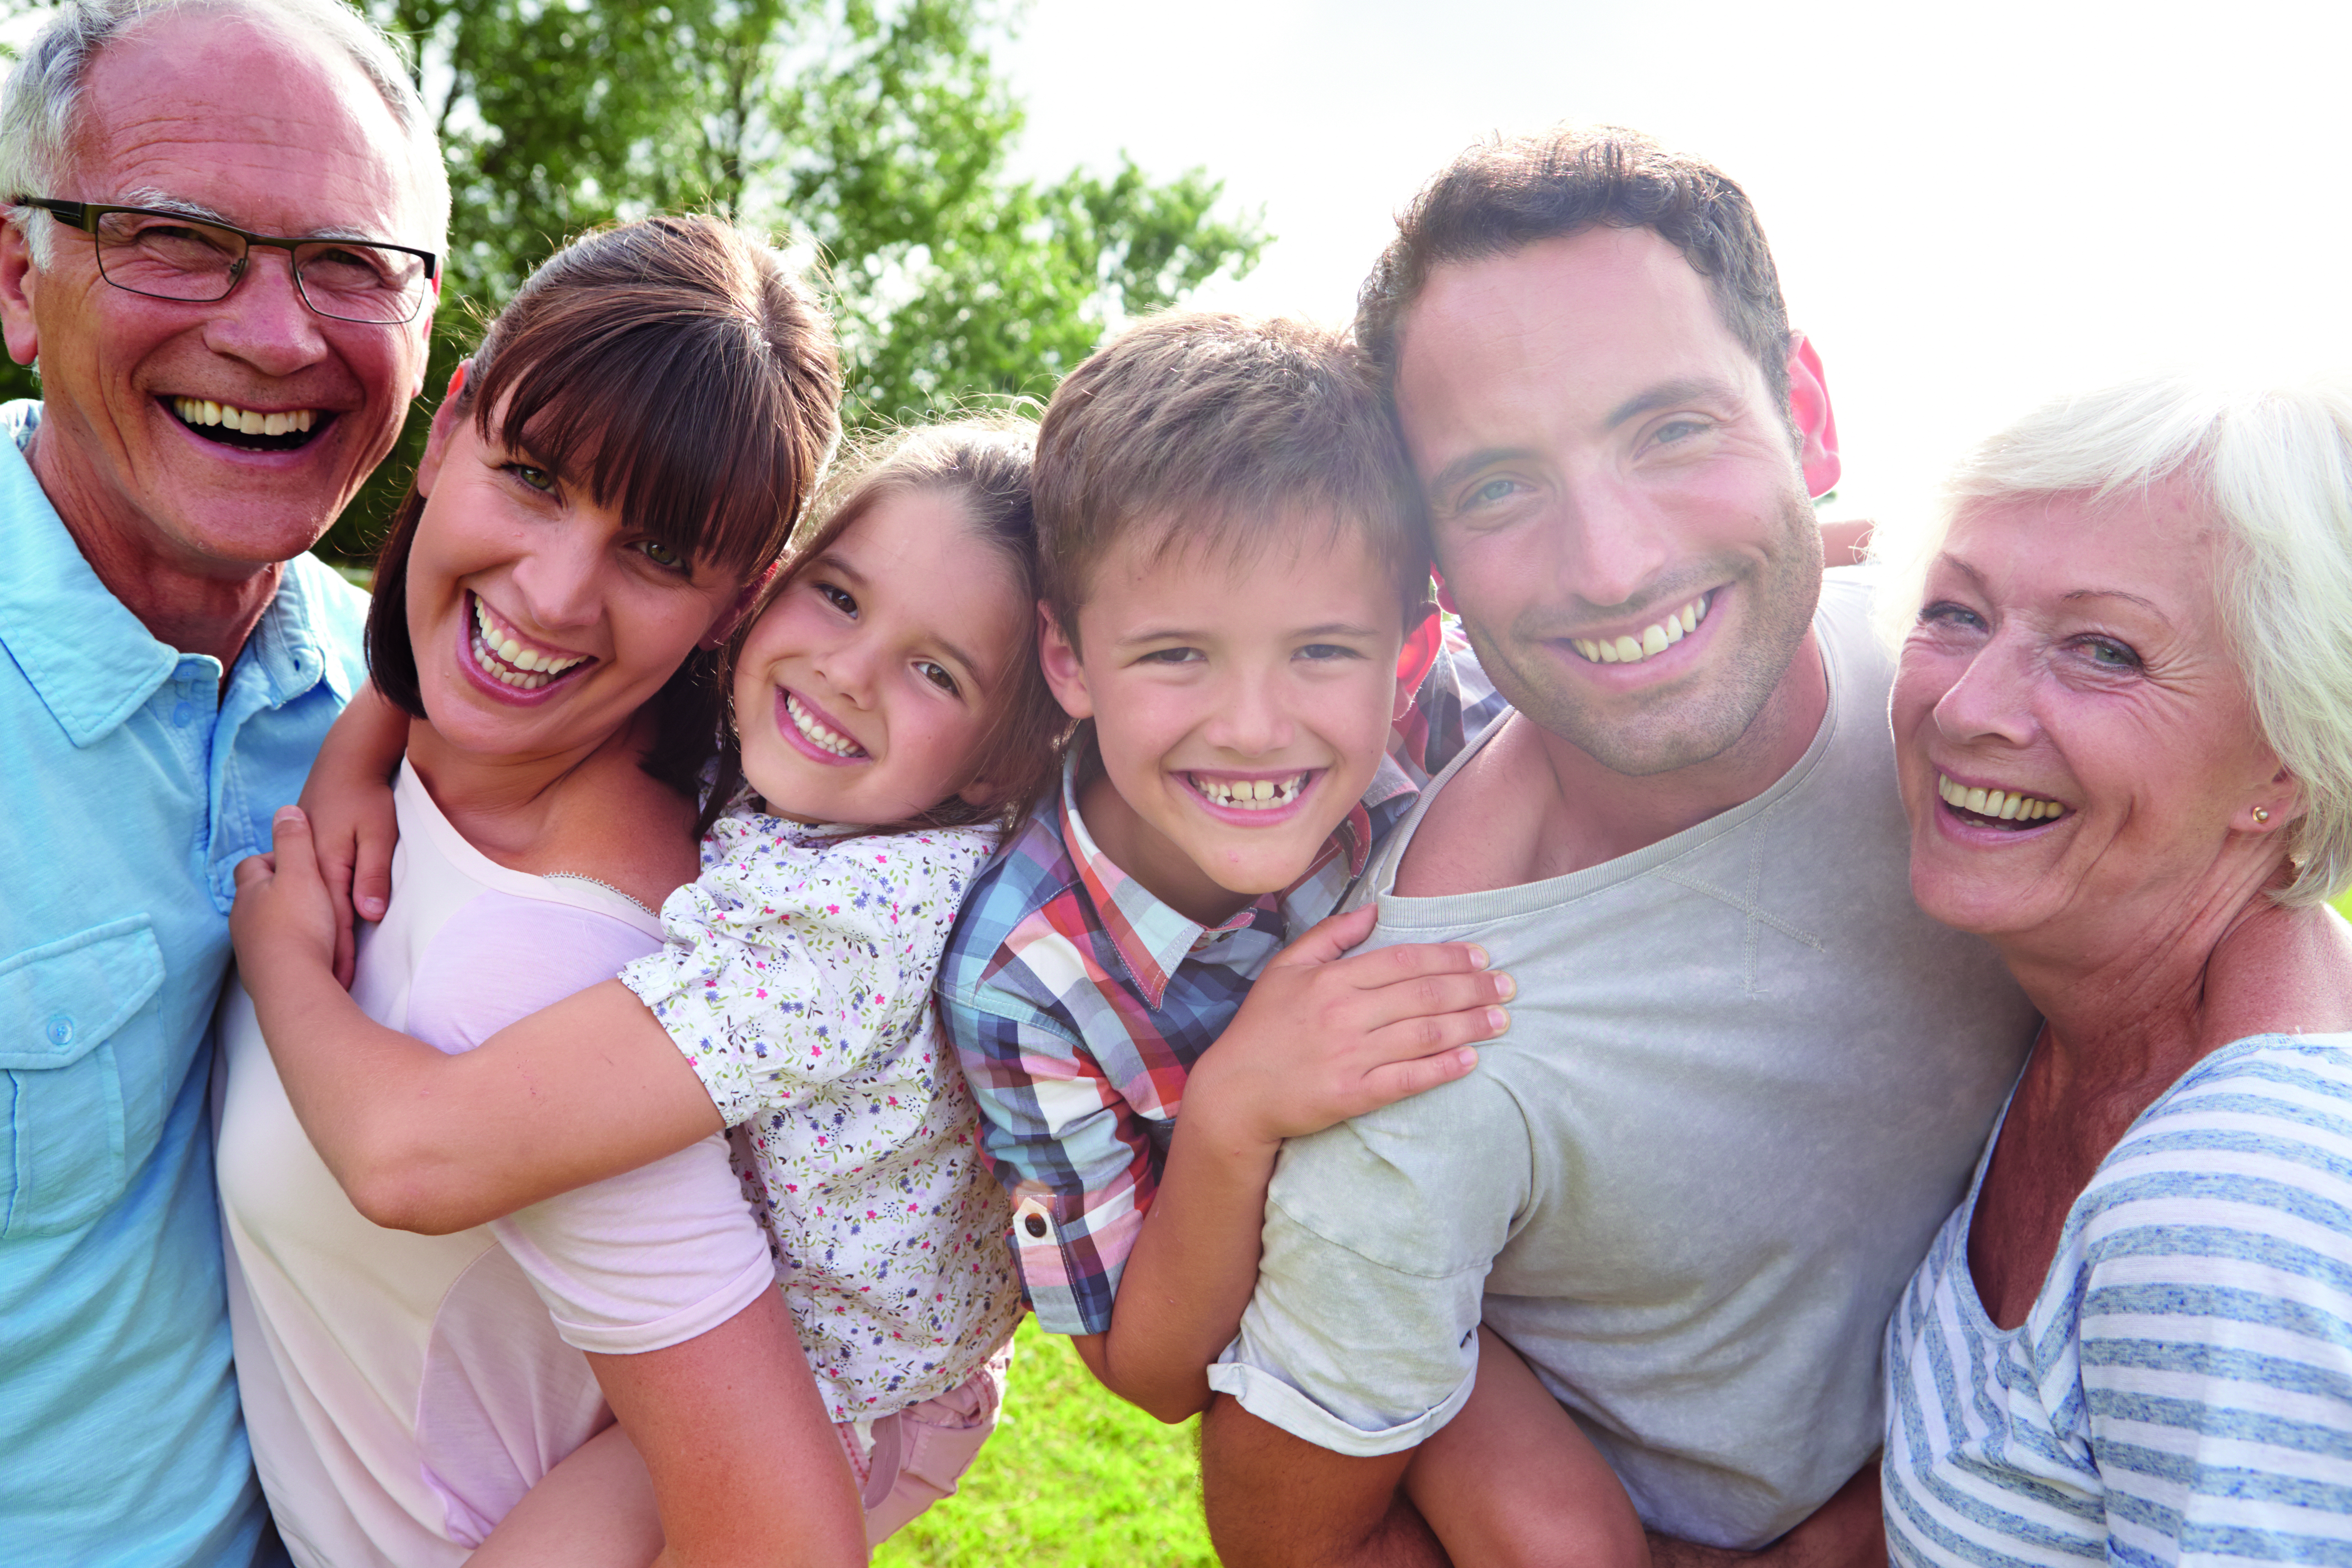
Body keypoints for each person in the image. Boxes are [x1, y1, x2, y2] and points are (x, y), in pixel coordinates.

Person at [1199, 125, 2039, 1567]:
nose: (1615, 563)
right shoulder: (1424, 1047)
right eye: (1500, 488)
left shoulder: (1969, 692)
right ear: (1438, 569)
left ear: (1807, 415)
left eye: (1670, 430)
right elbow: (1295, 1542)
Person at [227, 412, 1063, 1558]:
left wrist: (282, 958)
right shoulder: (793, 741)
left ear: (1002, 761)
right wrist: (357, 762)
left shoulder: (848, 935)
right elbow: (471, 649)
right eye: (840, 596)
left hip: (857, 1395)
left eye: (936, 671)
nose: (848, 671)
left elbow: (411, 1159)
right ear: (766, 593)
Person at [937, 309, 1649, 1564]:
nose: (1256, 728)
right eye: (1174, 655)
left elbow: (1627, 669)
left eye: (1322, 650)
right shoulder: (1026, 979)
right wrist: (1234, 1112)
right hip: (1315, 1317)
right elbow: (1147, 1374)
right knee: (1555, 1540)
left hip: (1555, 1227)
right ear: (1069, 655)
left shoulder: (1445, 721)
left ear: (1413, 651)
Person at [213, 213, 868, 1568]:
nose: (557, 595)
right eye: (532, 477)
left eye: (660, 555)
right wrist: (372, 734)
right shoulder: (406, 743)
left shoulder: (555, 975)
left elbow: (783, 1538)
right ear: (449, 426)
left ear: (736, 607)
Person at [0, 0, 445, 1559]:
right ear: (16, 276)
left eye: (349, 262)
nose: (275, 335)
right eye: (175, 241)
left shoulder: (438, 715)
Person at [1876, 374, 2352, 1565]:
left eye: (2103, 650)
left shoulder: (2235, 1209)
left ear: (2285, 764)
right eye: (1957, 613)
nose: (1970, 708)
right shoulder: (2080, 1006)